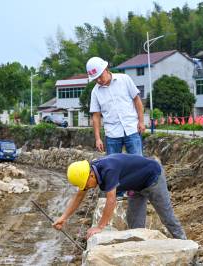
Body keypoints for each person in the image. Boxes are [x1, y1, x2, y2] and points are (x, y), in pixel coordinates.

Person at [52, 153, 187, 240]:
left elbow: (111, 201)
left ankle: (186, 245)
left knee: (166, 216)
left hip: (153, 178)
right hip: (136, 186)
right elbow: (78, 197)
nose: (86, 188)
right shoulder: (89, 171)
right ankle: (139, 253)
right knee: (134, 222)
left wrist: (100, 227)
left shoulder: (108, 170)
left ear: (91, 175)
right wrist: (63, 218)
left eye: (86, 185)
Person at [87, 57, 145, 156]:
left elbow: (137, 100)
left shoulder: (124, 79)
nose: (99, 80)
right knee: (113, 166)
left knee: (138, 163)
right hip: (112, 135)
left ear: (106, 69)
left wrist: (141, 121)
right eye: (95, 79)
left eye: (100, 76)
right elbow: (96, 116)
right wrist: (98, 139)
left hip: (132, 129)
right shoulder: (95, 92)